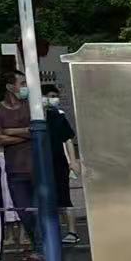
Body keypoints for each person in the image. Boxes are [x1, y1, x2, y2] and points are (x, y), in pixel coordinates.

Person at [0, 70, 39, 261]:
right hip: (15, 169)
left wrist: (10, 132)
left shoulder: (32, 107)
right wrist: (25, 133)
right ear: (10, 87)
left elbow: (38, 131)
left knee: (42, 211)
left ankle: (42, 250)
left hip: (36, 167)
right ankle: (38, 246)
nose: (25, 87)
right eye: (22, 83)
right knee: (24, 213)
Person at [42, 84, 78, 246]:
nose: (54, 99)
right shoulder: (35, 117)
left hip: (59, 163)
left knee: (64, 198)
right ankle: (50, 232)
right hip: (41, 163)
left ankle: (72, 232)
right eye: (50, 95)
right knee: (46, 199)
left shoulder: (58, 116)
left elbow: (68, 139)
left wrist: (73, 161)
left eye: (55, 96)